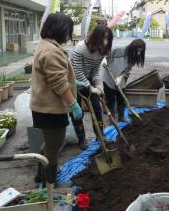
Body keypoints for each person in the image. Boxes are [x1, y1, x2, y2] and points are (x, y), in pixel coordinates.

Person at [30, 13, 82, 186]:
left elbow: (54, 76)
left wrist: (75, 81)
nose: (69, 35)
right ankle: (49, 184)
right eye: (68, 30)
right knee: (53, 149)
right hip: (50, 110)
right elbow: (59, 84)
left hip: (41, 107)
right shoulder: (52, 51)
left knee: (45, 144)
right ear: (61, 30)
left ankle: (40, 175)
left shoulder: (44, 45)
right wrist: (74, 104)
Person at [70, 24, 113, 149]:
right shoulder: (80, 49)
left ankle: (100, 136)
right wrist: (89, 87)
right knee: (77, 113)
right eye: (104, 38)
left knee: (97, 109)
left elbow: (95, 70)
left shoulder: (102, 51)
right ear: (96, 37)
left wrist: (98, 85)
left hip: (88, 79)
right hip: (74, 81)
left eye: (108, 39)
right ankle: (82, 139)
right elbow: (77, 71)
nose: (106, 42)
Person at [102, 39, 146, 122]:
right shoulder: (118, 50)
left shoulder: (133, 57)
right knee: (110, 100)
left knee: (121, 99)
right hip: (108, 78)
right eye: (138, 50)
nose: (139, 53)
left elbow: (127, 69)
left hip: (120, 79)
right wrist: (104, 60)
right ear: (133, 48)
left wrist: (120, 77)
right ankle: (111, 119)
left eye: (141, 51)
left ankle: (121, 117)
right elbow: (105, 56)